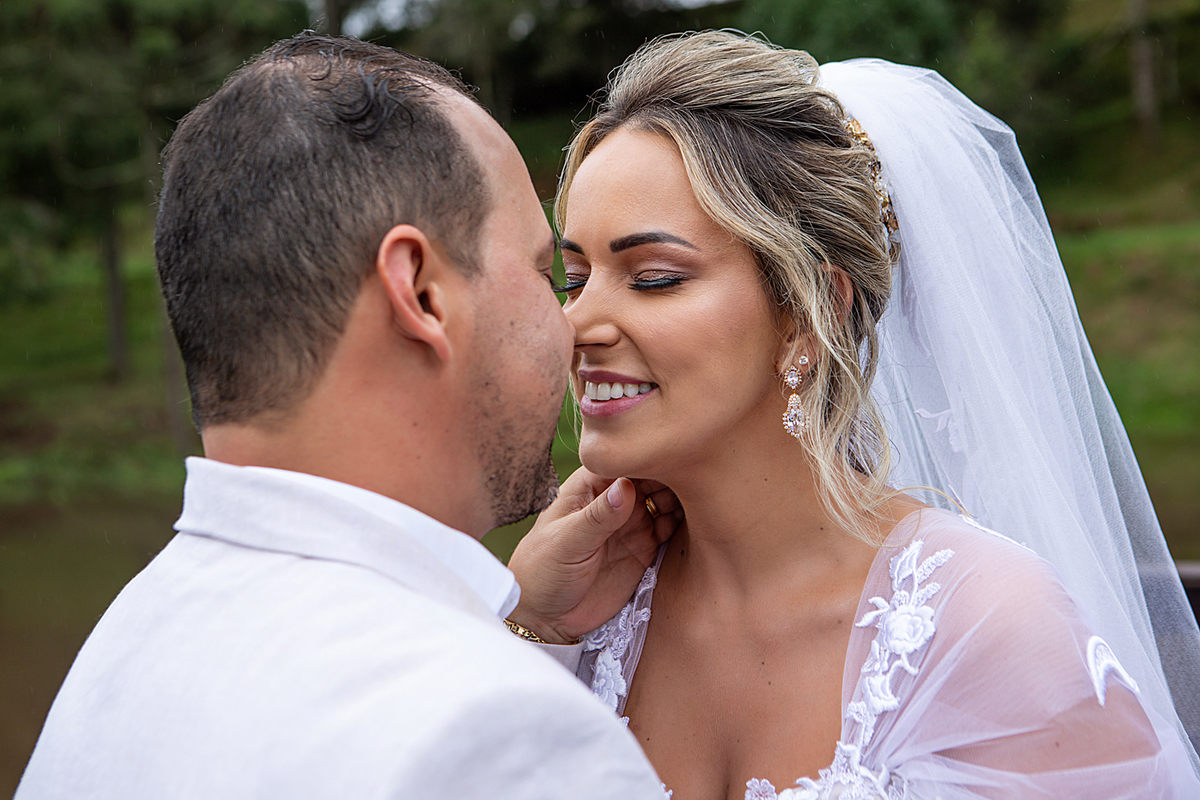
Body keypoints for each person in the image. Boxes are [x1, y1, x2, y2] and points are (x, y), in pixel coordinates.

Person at [508, 31, 1200, 798]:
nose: (576, 324)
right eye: (574, 280)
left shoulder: (982, 628)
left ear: (809, 320)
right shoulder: (578, 613)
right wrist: (531, 630)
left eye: (656, 278)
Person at [15, 33, 671, 799]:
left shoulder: (127, 642)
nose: (574, 326)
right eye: (541, 272)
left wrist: (524, 628)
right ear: (421, 292)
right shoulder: (504, 736)